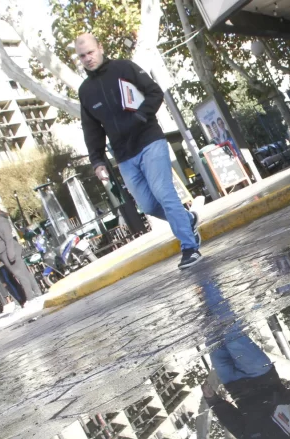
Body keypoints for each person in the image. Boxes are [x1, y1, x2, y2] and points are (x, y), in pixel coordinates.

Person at [75, 33, 202, 269]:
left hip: (150, 141)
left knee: (164, 193)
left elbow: (155, 92)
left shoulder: (124, 68)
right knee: (148, 206)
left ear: (100, 48)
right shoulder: (85, 91)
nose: (88, 58)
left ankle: (190, 247)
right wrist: (97, 161)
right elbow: (91, 130)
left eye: (91, 52)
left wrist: (142, 116)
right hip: (124, 156)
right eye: (82, 56)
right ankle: (186, 220)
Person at [0, 205, 42, 305]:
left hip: (8, 253)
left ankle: (31, 297)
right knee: (24, 273)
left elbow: (8, 238)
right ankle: (37, 293)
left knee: (20, 274)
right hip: (5, 253)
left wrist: (10, 254)